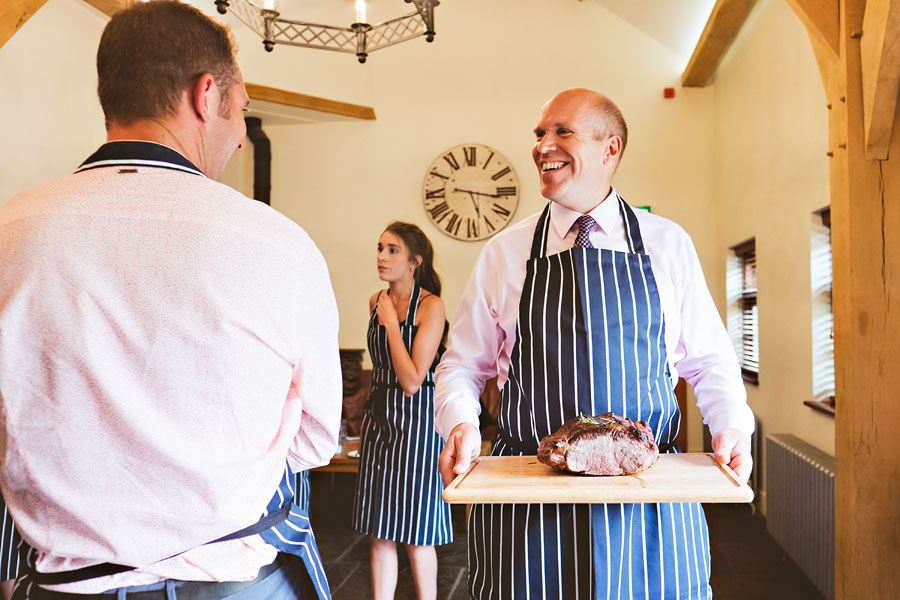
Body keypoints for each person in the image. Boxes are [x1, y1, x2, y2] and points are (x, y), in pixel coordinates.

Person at [0, 2, 342, 599]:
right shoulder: (278, 244)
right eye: (240, 112)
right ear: (206, 96)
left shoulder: (11, 231)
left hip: (65, 585)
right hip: (232, 584)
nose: (239, 139)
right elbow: (315, 440)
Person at [435, 88, 754, 599]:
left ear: (611, 150)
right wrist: (459, 422)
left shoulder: (667, 242)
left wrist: (734, 425)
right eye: (540, 134)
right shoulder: (504, 252)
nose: (543, 145)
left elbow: (710, 359)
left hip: (647, 501)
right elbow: (461, 364)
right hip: (529, 500)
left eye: (563, 131)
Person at [351, 222, 452, 600]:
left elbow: (411, 381)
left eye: (392, 250)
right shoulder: (374, 300)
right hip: (380, 420)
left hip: (420, 421)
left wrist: (392, 324)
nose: (381, 256)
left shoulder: (432, 306)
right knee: (380, 530)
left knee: (418, 532)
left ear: (415, 261)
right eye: (380, 247)